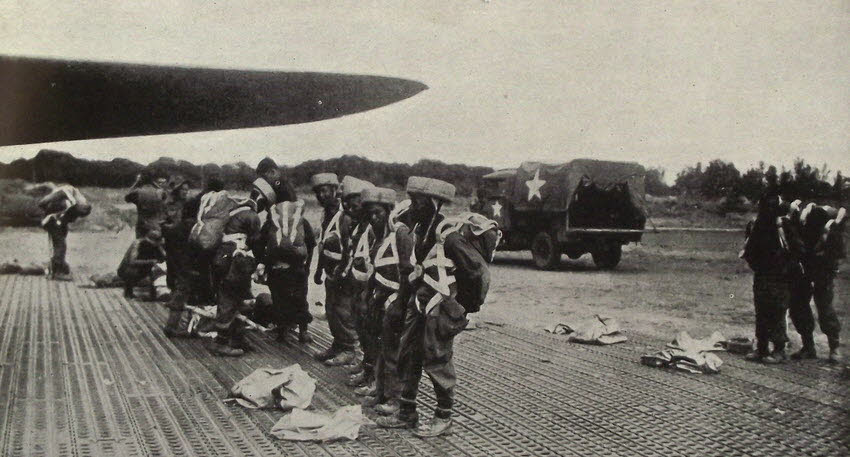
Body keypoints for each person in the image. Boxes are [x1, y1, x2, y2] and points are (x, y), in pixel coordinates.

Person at [378, 177, 500, 438]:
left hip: (440, 307)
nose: (413, 206)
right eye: (412, 200)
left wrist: (462, 308)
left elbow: (479, 274)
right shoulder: (420, 230)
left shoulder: (449, 235)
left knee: (438, 361)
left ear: (434, 203)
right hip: (420, 304)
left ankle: (444, 417)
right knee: (407, 353)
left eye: (419, 202)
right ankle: (406, 413)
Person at [361, 192, 414, 417]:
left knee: (393, 351)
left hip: (393, 301)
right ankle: (381, 392)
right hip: (380, 300)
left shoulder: (400, 235)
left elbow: (405, 272)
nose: (374, 217)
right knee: (382, 349)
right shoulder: (379, 236)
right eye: (371, 213)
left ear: (388, 212)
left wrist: (399, 304)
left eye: (378, 213)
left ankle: (394, 398)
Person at [739, 193, 799, 364]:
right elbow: (749, 250)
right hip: (762, 276)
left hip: (780, 277)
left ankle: (779, 349)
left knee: (778, 312)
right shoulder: (756, 226)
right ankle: (762, 347)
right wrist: (758, 267)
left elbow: (796, 250)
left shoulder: (783, 225)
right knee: (762, 312)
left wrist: (784, 268)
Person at [788, 203, 846, 363]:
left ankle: (834, 348)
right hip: (805, 269)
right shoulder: (803, 224)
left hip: (823, 271)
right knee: (798, 305)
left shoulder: (832, 230)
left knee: (825, 308)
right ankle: (808, 346)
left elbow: (836, 255)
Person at [209, 194, 265, 357]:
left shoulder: (234, 212)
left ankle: (238, 337)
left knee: (237, 297)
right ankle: (221, 343)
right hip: (235, 261)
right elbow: (257, 241)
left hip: (222, 258)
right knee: (232, 298)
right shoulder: (252, 216)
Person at [311, 173, 358, 363]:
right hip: (330, 272)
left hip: (343, 274)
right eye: (318, 192)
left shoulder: (343, 217)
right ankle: (338, 344)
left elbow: (349, 248)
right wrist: (318, 271)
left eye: (325, 191)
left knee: (343, 311)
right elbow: (323, 245)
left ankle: (349, 349)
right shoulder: (325, 215)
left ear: (333, 190)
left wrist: (342, 272)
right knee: (331, 310)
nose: (322, 196)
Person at [329, 176, 375, 370]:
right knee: (346, 314)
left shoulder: (373, 227)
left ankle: (353, 352)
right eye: (347, 205)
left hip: (365, 282)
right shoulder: (356, 225)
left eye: (355, 206)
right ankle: (353, 353)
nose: (350, 209)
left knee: (359, 320)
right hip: (351, 277)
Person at [257, 200, 317, 343]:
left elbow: (259, 244)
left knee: (279, 300)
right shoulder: (302, 222)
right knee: (300, 299)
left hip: (276, 269)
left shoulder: (270, 223)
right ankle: (303, 332)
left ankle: (282, 333)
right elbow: (311, 244)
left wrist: (265, 263)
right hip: (297, 269)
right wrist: (307, 266)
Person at [162, 176, 196, 338]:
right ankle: (174, 322)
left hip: (177, 242)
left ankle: (178, 319)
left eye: (187, 190)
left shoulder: (186, 204)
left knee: (181, 283)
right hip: (176, 244)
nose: (186, 192)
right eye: (183, 189)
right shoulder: (171, 205)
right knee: (180, 282)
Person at [37, 184, 91, 280]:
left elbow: (68, 215)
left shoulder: (73, 200)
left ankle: (57, 265)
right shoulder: (69, 192)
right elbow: (44, 202)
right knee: (60, 244)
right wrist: (44, 204)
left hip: (56, 220)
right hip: (52, 220)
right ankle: (58, 271)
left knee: (59, 243)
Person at [118, 229, 167, 299]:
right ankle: (128, 291)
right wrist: (151, 261)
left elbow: (165, 257)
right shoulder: (137, 244)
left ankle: (154, 293)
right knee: (133, 271)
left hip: (142, 266)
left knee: (157, 269)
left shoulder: (155, 245)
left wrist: (160, 248)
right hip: (127, 269)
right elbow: (132, 261)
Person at [125, 168, 168, 239]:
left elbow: (126, 197)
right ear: (153, 179)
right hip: (156, 225)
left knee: (141, 246)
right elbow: (165, 196)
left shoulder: (137, 192)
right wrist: (155, 184)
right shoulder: (160, 192)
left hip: (142, 226)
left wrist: (136, 182)